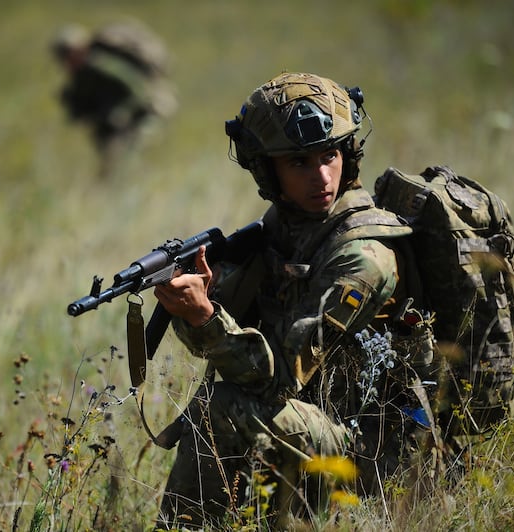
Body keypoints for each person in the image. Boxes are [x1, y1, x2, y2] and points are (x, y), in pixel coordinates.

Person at [151, 72, 443, 529]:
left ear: (348, 154)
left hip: (378, 451)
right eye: (299, 163)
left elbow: (277, 381)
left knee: (222, 406)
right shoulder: (286, 229)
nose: (321, 177)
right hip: (319, 423)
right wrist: (198, 305)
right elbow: (233, 352)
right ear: (268, 170)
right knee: (223, 395)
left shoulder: (364, 255)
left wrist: (206, 316)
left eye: (330, 156)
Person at [50, 20, 177, 179]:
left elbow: (138, 88)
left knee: (129, 160)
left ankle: (146, 186)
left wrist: (121, 112)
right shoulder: (83, 76)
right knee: (116, 164)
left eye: (68, 54)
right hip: (122, 124)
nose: (68, 62)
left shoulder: (103, 63)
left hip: (148, 111)